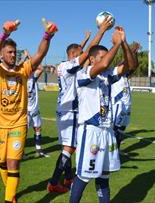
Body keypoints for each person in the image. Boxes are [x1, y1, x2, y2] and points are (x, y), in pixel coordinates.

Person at [0, 19, 58, 203]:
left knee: (13, 163)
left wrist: (47, 36)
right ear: (2, 54)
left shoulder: (23, 70)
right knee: (2, 163)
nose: (13, 55)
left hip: (18, 124)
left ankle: (9, 199)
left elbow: (40, 54)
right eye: (9, 52)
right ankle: (11, 190)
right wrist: (4, 34)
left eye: (14, 52)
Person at [69, 26, 137, 203]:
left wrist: (124, 43)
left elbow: (131, 65)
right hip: (90, 131)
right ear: (92, 60)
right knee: (83, 176)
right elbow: (105, 63)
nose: (105, 60)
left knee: (104, 177)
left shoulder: (108, 75)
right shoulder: (83, 74)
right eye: (101, 57)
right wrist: (116, 43)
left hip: (107, 131)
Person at [47, 17, 113, 193]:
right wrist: (102, 31)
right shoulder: (69, 66)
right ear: (73, 55)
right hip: (71, 111)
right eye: (79, 53)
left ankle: (68, 179)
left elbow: (82, 52)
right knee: (69, 149)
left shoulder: (63, 66)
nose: (83, 55)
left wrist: (85, 41)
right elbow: (86, 53)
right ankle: (54, 182)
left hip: (64, 110)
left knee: (70, 147)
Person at [111, 43, 139, 153]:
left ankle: (117, 149)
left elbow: (134, 65)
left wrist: (135, 54)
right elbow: (124, 63)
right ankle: (113, 151)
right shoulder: (116, 74)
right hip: (118, 105)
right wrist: (130, 52)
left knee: (122, 128)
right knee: (116, 129)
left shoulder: (126, 76)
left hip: (127, 105)